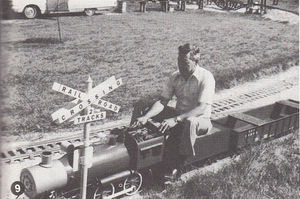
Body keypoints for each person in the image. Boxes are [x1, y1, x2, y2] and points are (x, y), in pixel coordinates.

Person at [132, 43, 215, 180]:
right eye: (178, 62)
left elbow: (201, 108)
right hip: (178, 116)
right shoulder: (174, 77)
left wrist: (175, 120)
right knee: (143, 105)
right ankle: (134, 139)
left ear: (196, 61)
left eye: (184, 63)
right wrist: (146, 117)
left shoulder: (206, 77)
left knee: (190, 121)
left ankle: (177, 166)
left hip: (200, 120)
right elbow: (163, 101)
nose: (180, 66)